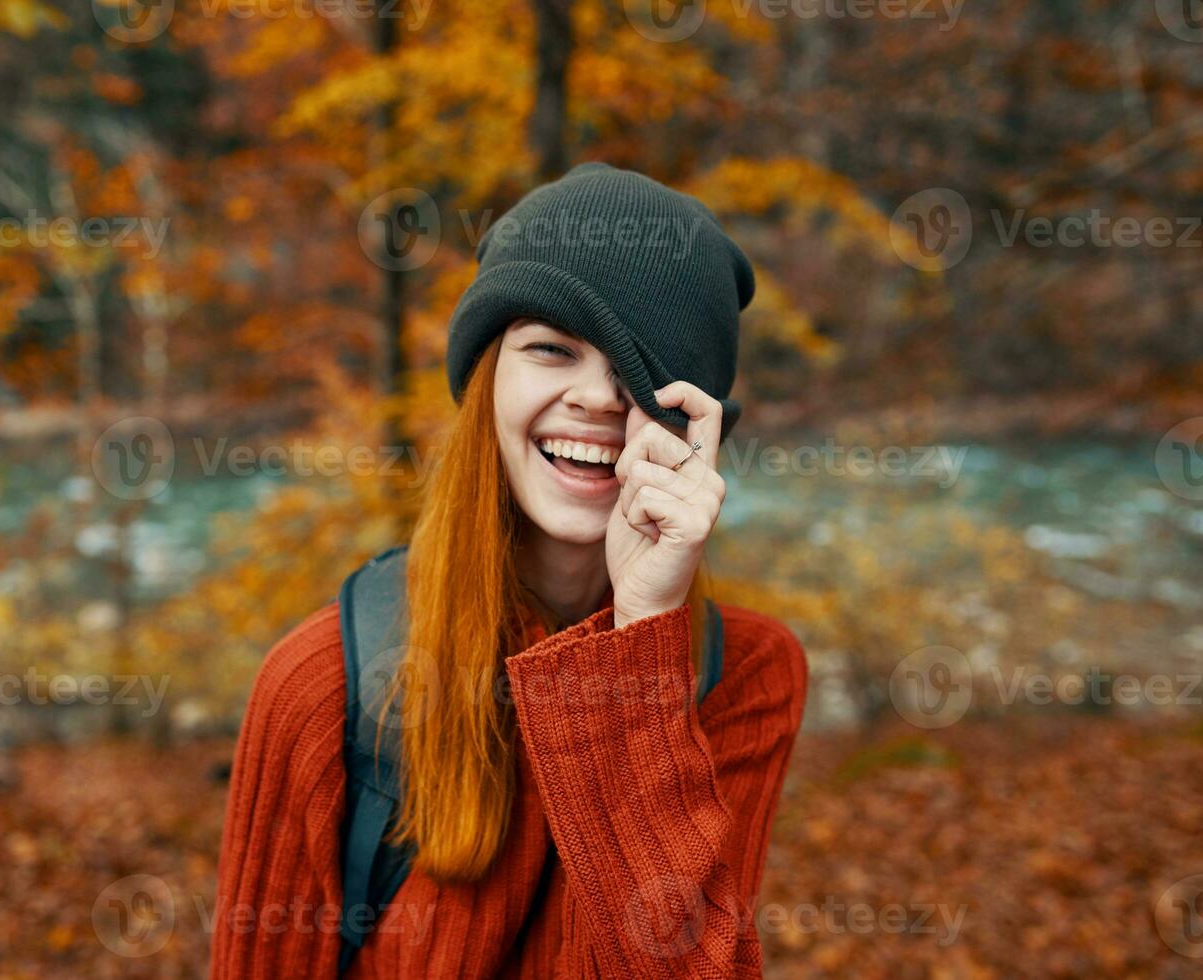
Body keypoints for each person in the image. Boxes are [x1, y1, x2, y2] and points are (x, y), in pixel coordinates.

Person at [208, 162, 808, 978]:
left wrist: (641, 639)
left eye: (640, 368)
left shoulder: (741, 678)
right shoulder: (321, 686)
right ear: (489, 381)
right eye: (551, 349)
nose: (597, 398)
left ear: (696, 426)